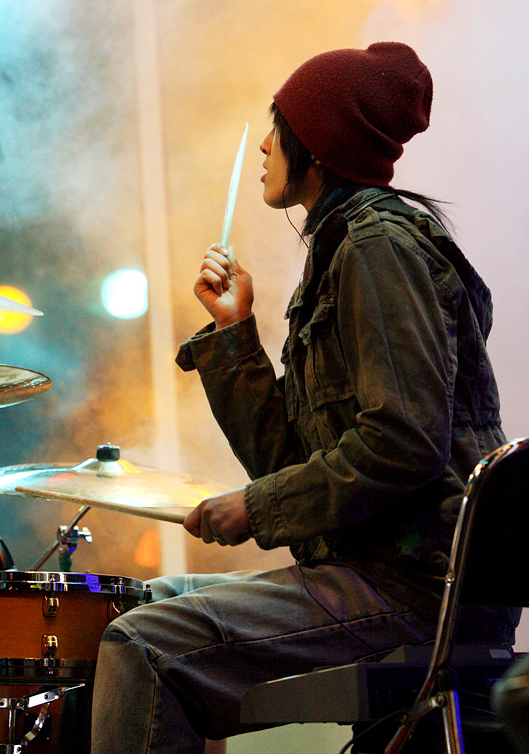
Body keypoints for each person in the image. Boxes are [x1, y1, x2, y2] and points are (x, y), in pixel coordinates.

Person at [91, 42, 520, 753]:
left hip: (417, 588)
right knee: (135, 606)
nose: (266, 145)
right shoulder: (344, 250)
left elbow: (405, 441)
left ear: (317, 147)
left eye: (278, 128)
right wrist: (233, 335)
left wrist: (254, 507)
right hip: (376, 572)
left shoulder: (378, 247)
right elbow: (288, 462)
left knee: (143, 643)